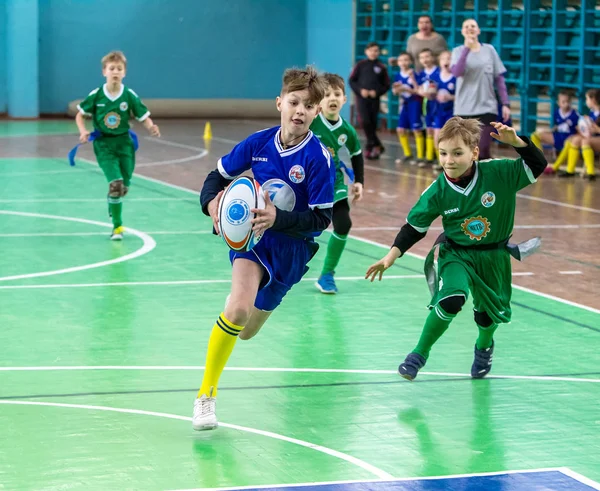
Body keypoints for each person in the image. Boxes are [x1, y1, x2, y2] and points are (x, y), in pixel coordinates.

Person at [193, 66, 335, 431]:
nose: (300, 110)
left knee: (246, 331)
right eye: (294, 102)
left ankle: (240, 315)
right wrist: (210, 204)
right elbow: (216, 177)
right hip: (254, 240)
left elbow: (321, 220)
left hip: (292, 250)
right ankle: (205, 396)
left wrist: (279, 218)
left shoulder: (319, 158)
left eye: (308, 105)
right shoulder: (258, 144)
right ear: (280, 103)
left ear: (317, 112)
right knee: (238, 309)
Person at [365, 117, 547, 381]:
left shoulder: (499, 173)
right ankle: (418, 354)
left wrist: (517, 143)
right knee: (451, 299)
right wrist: (390, 256)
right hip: (457, 254)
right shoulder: (438, 190)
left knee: (486, 318)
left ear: (474, 153)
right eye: (443, 153)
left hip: (493, 257)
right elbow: (414, 228)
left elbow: (538, 164)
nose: (449, 160)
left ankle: (484, 346)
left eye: (457, 153)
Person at [75, 50, 160, 240]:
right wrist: (83, 131)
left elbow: (142, 115)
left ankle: (112, 203)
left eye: (119, 69)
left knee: (123, 187)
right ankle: (117, 227)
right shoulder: (97, 95)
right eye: (111, 68)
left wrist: (151, 127)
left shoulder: (128, 95)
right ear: (104, 72)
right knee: (115, 184)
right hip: (104, 144)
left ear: (124, 73)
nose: (115, 72)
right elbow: (80, 114)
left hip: (124, 144)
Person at [310, 73, 365, 294]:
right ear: (319, 101)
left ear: (344, 99)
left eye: (337, 94)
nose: (332, 98)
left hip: (334, 183)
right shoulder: (311, 122)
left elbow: (357, 154)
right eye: (327, 94)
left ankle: (327, 274)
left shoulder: (347, 130)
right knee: (298, 228)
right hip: (307, 183)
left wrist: (359, 181)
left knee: (343, 223)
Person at [451, 19, 511, 160]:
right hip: (464, 108)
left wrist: (505, 104)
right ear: (462, 31)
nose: (470, 28)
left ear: (478, 30)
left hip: (487, 106)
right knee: (467, 150)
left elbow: (499, 79)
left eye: (473, 26)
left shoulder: (489, 50)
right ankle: (475, 178)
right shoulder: (457, 51)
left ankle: (485, 178)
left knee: (482, 147)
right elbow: (457, 72)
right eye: (466, 26)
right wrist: (467, 49)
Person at [349, 42, 391, 160]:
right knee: (365, 121)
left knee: (372, 123)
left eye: (376, 51)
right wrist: (360, 90)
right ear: (366, 52)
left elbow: (386, 84)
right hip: (362, 99)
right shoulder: (360, 65)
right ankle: (374, 144)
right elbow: (352, 81)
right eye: (371, 50)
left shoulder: (381, 67)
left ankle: (372, 146)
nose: (373, 53)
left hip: (374, 100)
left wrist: (376, 92)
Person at [556, 88, 599, 181]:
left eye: (587, 99)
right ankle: (570, 170)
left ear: (593, 100)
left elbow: (596, 129)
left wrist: (596, 129)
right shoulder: (592, 113)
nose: (586, 101)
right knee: (575, 139)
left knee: (585, 141)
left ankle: (591, 172)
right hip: (594, 137)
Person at [531, 90, 579, 170]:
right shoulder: (556, 113)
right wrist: (547, 131)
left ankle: (555, 167)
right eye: (563, 102)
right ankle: (540, 161)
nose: (566, 104)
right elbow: (555, 127)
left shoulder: (575, 115)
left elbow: (578, 130)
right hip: (557, 136)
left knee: (569, 142)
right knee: (535, 135)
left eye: (568, 102)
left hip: (569, 138)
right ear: (558, 103)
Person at [393, 52, 424, 164]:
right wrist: (396, 90)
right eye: (401, 60)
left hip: (414, 103)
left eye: (406, 60)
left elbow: (418, 91)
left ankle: (420, 156)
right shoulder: (397, 75)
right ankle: (407, 154)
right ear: (398, 62)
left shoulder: (415, 74)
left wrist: (407, 88)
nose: (403, 63)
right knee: (400, 129)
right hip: (404, 104)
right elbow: (395, 91)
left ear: (410, 62)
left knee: (417, 129)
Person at [417, 48, 440, 166]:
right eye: (422, 57)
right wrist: (421, 92)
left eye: (427, 56)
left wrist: (434, 92)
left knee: (439, 131)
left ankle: (440, 158)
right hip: (427, 105)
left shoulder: (438, 71)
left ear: (433, 58)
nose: (425, 59)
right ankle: (429, 157)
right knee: (429, 129)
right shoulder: (421, 74)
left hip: (439, 105)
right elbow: (419, 88)